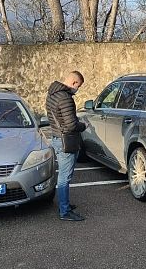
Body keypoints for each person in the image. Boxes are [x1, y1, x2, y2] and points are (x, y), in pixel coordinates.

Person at [45, 71, 88, 221]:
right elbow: (71, 125)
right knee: (65, 177)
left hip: (57, 137)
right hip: (66, 141)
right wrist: (83, 125)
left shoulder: (52, 94)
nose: (78, 89)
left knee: (63, 175)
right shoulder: (65, 98)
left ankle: (65, 205)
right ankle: (64, 211)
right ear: (74, 83)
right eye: (79, 86)